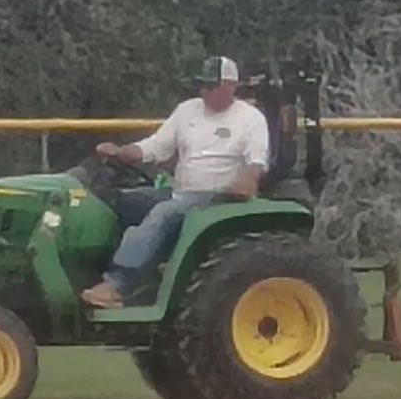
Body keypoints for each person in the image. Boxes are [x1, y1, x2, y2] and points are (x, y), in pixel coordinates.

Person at [81, 57, 271, 306]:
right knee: (119, 202)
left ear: (230, 85)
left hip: (218, 198)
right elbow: (157, 146)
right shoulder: (187, 110)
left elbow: (256, 162)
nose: (204, 91)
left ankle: (118, 284)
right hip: (181, 192)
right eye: (202, 85)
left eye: (211, 86)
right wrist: (123, 151)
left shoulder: (250, 119)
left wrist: (248, 180)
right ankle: (105, 273)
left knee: (163, 213)